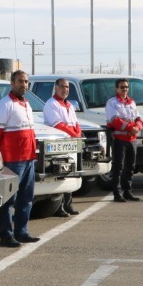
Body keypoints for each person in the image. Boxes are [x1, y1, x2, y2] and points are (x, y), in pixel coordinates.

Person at [0, 70, 39, 247]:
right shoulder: (5, 104)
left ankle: (22, 231)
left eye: (26, 82)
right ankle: (6, 234)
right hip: (12, 160)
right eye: (20, 81)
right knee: (8, 199)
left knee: (26, 197)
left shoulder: (26, 104)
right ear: (12, 83)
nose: (23, 85)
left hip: (28, 158)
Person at [42, 77, 82, 218]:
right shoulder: (51, 104)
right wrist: (74, 135)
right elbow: (57, 124)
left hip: (71, 144)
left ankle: (68, 204)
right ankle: (58, 207)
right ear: (56, 87)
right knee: (60, 175)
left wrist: (77, 133)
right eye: (63, 86)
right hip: (59, 145)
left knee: (70, 174)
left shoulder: (69, 105)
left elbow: (75, 123)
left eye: (67, 87)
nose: (65, 89)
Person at [105, 78, 143, 202]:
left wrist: (137, 127)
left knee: (131, 167)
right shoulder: (112, 103)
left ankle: (128, 191)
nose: (125, 89)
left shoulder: (132, 103)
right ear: (116, 88)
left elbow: (139, 118)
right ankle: (117, 193)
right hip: (119, 139)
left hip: (132, 140)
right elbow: (114, 120)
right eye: (122, 87)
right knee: (118, 167)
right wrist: (130, 127)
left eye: (126, 87)